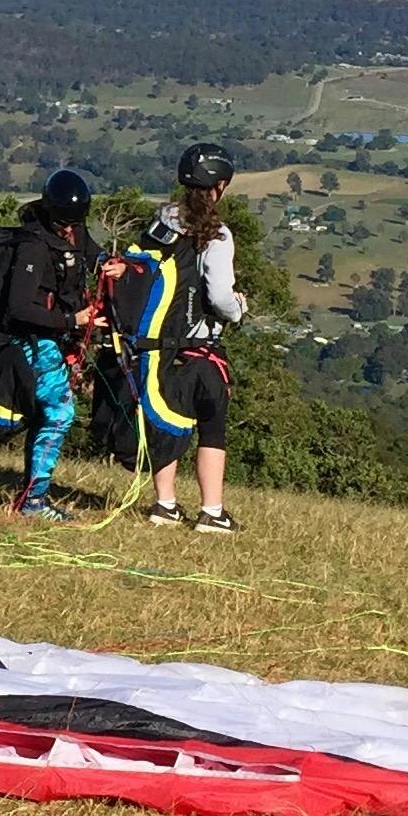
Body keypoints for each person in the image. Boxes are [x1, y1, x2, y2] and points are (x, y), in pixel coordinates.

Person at [0, 169, 111, 522]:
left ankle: (33, 495)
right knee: (58, 414)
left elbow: (87, 249)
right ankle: (33, 501)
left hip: (53, 336)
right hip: (35, 336)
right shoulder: (32, 246)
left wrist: (107, 264)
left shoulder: (70, 228)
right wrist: (74, 321)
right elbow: (19, 308)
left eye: (75, 225)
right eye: (65, 226)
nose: (71, 231)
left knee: (51, 414)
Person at [134, 142, 247, 534]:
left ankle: (164, 505)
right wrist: (239, 308)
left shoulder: (160, 223)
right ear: (218, 186)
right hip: (199, 345)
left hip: (155, 344)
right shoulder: (215, 235)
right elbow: (218, 296)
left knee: (168, 419)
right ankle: (211, 512)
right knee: (212, 424)